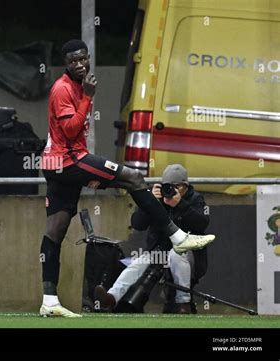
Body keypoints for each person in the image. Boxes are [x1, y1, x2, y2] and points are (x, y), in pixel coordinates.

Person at [38, 39, 215, 317]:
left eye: (83, 58)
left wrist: (85, 96)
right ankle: (178, 236)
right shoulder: (64, 89)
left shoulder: (77, 85)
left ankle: (49, 301)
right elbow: (71, 130)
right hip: (67, 159)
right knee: (133, 177)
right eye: (73, 61)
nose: (80, 64)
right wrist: (87, 97)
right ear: (66, 64)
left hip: (58, 162)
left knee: (55, 229)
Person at [94, 164, 210, 314]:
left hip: (188, 252)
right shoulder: (156, 198)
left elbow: (202, 224)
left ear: (185, 186)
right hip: (159, 251)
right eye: (168, 186)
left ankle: (184, 303)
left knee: (177, 255)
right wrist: (148, 202)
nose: (172, 190)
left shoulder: (195, 199)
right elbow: (137, 224)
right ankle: (111, 297)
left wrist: (180, 204)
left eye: (177, 186)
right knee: (137, 264)